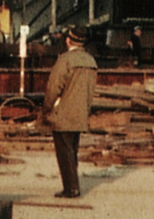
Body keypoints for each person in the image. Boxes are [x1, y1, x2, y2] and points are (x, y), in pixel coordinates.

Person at [42, 26, 97, 199]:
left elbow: (53, 88)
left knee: (64, 153)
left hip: (63, 114)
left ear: (68, 40)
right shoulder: (91, 62)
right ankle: (72, 185)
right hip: (80, 113)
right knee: (72, 151)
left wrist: (46, 109)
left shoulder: (65, 60)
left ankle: (71, 188)